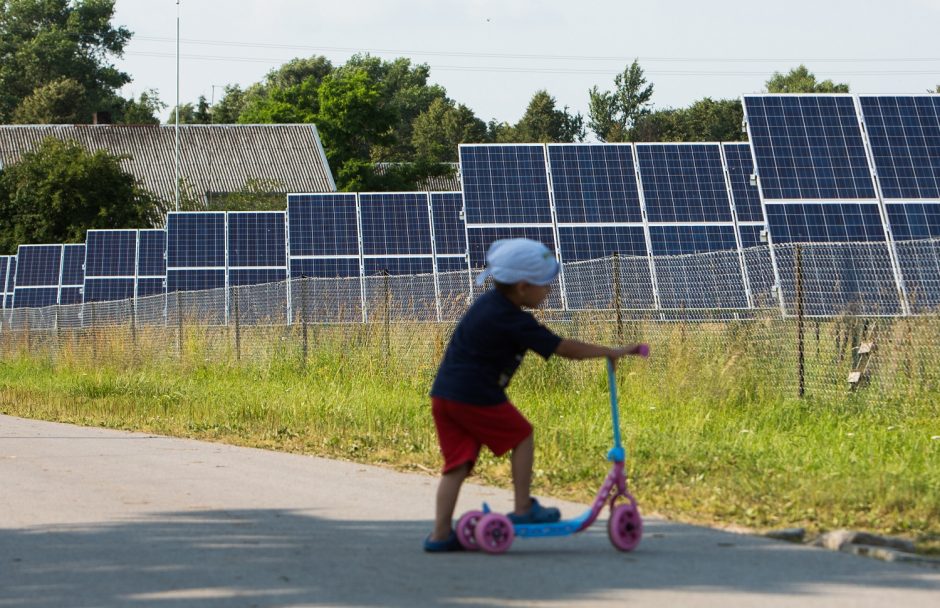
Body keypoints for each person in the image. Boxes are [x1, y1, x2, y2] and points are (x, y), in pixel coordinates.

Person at [424, 238, 649, 552]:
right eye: (545, 285)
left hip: (445, 395)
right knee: (522, 435)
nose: (549, 291)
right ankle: (522, 509)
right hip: (474, 394)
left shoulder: (489, 305)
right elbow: (562, 348)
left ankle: (440, 534)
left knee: (457, 464)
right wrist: (609, 352)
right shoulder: (513, 319)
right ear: (522, 287)